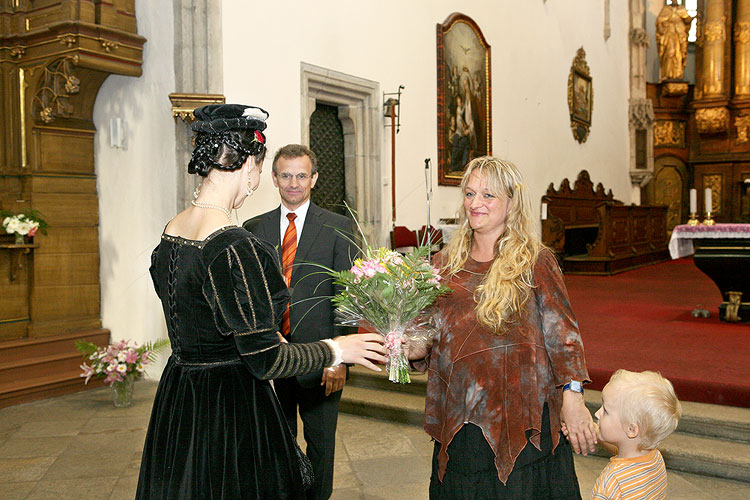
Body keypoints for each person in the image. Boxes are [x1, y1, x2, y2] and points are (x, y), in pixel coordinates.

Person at [136, 105, 386, 500]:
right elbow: (266, 360)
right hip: (231, 405)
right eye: (261, 166)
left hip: (182, 394)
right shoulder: (236, 244)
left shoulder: (173, 231)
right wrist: (339, 348)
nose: (254, 179)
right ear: (249, 165)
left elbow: (207, 318)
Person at [407, 156, 597, 499]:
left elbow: (564, 337)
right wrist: (408, 345)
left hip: (524, 424)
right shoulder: (441, 265)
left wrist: (573, 397)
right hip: (462, 424)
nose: (475, 203)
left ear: (511, 203)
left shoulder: (535, 262)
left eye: (488, 195)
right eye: (469, 193)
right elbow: (426, 337)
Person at [243, 144, 355, 500]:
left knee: (321, 446)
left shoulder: (338, 227)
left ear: (314, 179)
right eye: (286, 175)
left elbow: (348, 296)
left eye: (301, 175)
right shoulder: (253, 228)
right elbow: (251, 295)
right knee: (278, 443)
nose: (294, 183)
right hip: (271, 357)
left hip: (321, 358)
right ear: (274, 178)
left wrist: (340, 357)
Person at [590, 369, 682, 500]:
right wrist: (594, 429)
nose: (597, 413)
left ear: (631, 429)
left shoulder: (613, 481)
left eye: (605, 411)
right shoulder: (655, 458)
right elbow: (622, 449)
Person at [656, 0, 693, 82]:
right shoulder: (666, 9)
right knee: (670, 53)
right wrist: (662, 27)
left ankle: (678, 74)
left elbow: (686, 21)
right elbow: (659, 22)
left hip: (679, 34)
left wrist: (689, 20)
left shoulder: (682, 9)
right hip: (669, 34)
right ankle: (668, 74)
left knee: (679, 54)